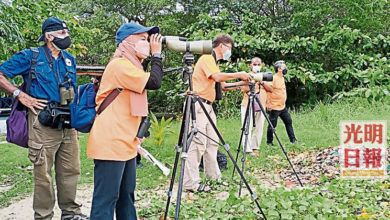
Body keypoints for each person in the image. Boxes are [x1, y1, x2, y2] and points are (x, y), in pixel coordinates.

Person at [0, 17, 88, 220]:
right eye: (63, 34)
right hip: (43, 120)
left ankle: (71, 213)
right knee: (43, 175)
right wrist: (19, 95)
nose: (68, 37)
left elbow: (72, 90)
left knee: (71, 169)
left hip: (67, 120)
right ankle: (44, 216)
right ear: (49, 36)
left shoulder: (69, 59)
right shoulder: (30, 56)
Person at [87, 22, 163, 219]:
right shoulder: (119, 65)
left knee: (126, 196)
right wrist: (157, 55)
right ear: (126, 42)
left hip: (126, 141)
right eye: (143, 39)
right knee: (106, 198)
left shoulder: (132, 66)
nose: (148, 44)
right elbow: (154, 82)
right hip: (111, 141)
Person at [183, 34, 251, 192]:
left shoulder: (213, 63)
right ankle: (191, 183)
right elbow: (217, 77)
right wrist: (239, 73)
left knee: (212, 143)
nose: (230, 53)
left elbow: (224, 85)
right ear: (222, 45)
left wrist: (243, 82)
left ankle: (213, 178)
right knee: (197, 143)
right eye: (230, 49)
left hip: (208, 105)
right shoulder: (207, 58)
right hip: (197, 104)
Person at [240, 57, 272, 155]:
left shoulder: (265, 76)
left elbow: (270, 89)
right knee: (247, 126)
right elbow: (243, 89)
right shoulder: (247, 75)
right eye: (254, 64)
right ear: (250, 65)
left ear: (261, 65)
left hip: (261, 104)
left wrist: (261, 82)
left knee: (259, 126)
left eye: (258, 64)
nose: (256, 66)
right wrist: (252, 81)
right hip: (248, 104)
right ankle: (247, 148)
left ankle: (255, 147)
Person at [266, 60, 297, 145]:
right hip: (274, 107)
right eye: (284, 67)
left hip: (282, 106)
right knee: (272, 125)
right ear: (279, 69)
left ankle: (293, 140)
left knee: (288, 121)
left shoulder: (282, 78)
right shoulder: (274, 78)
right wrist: (268, 103)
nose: (285, 68)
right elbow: (268, 91)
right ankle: (269, 142)